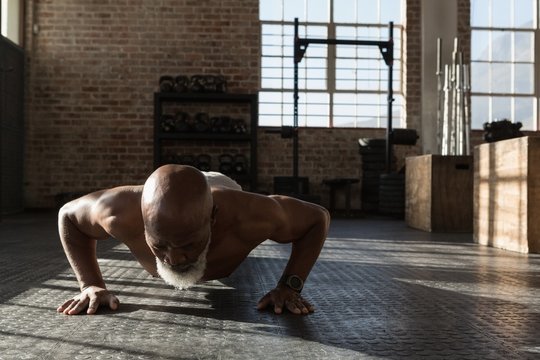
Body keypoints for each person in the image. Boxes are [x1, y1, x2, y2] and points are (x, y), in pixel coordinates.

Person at [56, 164, 330, 316]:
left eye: (188, 245)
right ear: (143, 223)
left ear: (212, 219)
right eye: (159, 245)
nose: (173, 259)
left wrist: (290, 286)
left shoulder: (252, 216)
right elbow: (67, 216)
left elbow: (318, 218)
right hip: (168, 196)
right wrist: (90, 284)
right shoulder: (118, 213)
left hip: (222, 185)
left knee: (213, 188)